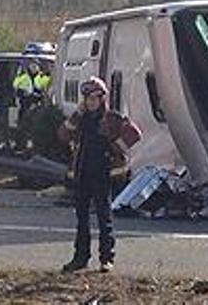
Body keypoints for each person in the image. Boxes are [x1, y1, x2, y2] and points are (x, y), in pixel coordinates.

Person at [58, 77, 141, 274]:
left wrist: (115, 148)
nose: (90, 102)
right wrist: (77, 114)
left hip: (103, 174)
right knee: (82, 219)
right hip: (82, 174)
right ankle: (80, 258)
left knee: (105, 218)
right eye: (87, 98)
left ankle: (107, 258)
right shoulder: (80, 119)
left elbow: (135, 134)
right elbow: (62, 135)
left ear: (102, 98)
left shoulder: (112, 119)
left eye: (94, 98)